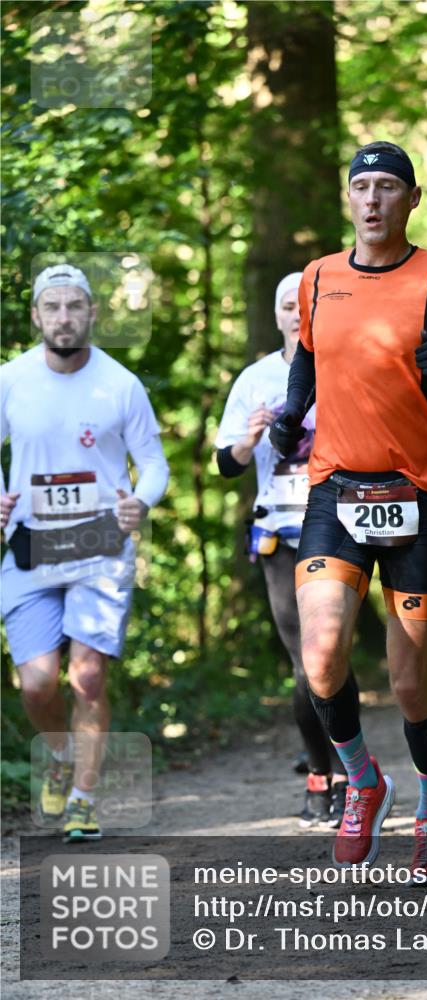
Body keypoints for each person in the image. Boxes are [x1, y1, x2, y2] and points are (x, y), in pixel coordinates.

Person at [269, 141, 427, 874]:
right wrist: (292, 415)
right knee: (320, 658)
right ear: (348, 200)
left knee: (410, 682)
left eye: (387, 187)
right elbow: (308, 358)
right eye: (362, 188)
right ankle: (361, 778)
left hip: (415, 496)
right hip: (334, 490)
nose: (373, 200)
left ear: (412, 200)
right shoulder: (318, 278)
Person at [1, 263, 169, 841]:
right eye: (53, 307)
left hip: (100, 545)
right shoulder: (11, 379)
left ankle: (82, 799)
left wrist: (139, 504)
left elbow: (153, 465)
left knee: (88, 678)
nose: (65, 317)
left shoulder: (120, 384)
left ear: (93, 313)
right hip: (31, 549)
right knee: (38, 684)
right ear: (37, 316)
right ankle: (57, 754)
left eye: (75, 306)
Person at [215, 272, 358, 829]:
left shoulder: (345, 365)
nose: (297, 314)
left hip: (343, 529)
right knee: (306, 664)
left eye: (306, 304)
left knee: (335, 656)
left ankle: (352, 778)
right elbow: (224, 463)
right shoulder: (254, 379)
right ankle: (322, 776)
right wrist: (248, 440)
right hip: (279, 535)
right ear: (276, 316)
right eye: (286, 306)